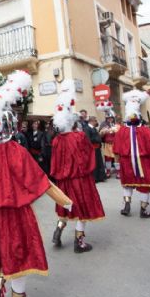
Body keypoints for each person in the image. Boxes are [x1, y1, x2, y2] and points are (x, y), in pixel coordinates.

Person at [0, 70, 72, 297]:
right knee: (19, 255)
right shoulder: (16, 151)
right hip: (16, 214)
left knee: (0, 253)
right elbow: (41, 182)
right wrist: (65, 201)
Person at [50, 83, 105, 253]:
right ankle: (79, 242)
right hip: (80, 180)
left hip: (64, 181)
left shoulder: (57, 140)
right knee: (82, 210)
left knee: (66, 208)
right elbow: (89, 154)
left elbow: (54, 163)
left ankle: (58, 230)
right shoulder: (79, 136)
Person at [113, 90, 150, 218]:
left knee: (127, 183)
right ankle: (143, 210)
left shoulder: (121, 132)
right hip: (144, 162)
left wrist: (117, 164)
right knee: (145, 186)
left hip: (126, 162)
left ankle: (126, 205)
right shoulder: (147, 131)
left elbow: (116, 149)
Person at [85, 116, 106, 183]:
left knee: (99, 163)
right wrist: (96, 139)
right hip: (92, 148)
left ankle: (100, 177)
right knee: (94, 164)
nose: (96, 122)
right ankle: (95, 178)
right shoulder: (87, 129)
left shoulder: (93, 128)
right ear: (92, 121)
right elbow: (88, 139)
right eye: (95, 121)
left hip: (97, 148)